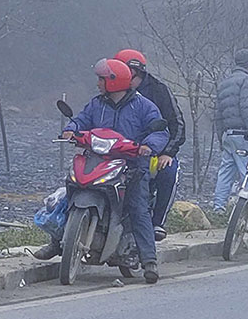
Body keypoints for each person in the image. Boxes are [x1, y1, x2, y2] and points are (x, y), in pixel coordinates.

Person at [34, 58, 170, 284]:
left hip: (132, 165)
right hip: (96, 160)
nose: (98, 83)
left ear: (114, 82)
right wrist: (71, 130)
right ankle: (57, 242)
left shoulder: (144, 106)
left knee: (137, 207)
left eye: (102, 79)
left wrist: (149, 146)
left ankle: (149, 260)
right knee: (68, 196)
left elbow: (159, 131)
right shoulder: (97, 104)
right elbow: (80, 121)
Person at [114, 49, 186, 241]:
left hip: (154, 151)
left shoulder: (159, 90)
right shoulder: (111, 91)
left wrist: (168, 153)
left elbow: (177, 124)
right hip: (118, 150)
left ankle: (157, 223)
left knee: (169, 173)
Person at [212, 48, 248, 213]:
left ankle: (218, 208)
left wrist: (221, 138)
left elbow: (218, 115)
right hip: (242, 134)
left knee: (225, 172)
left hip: (228, 135)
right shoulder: (247, 80)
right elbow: (246, 107)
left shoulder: (225, 82)